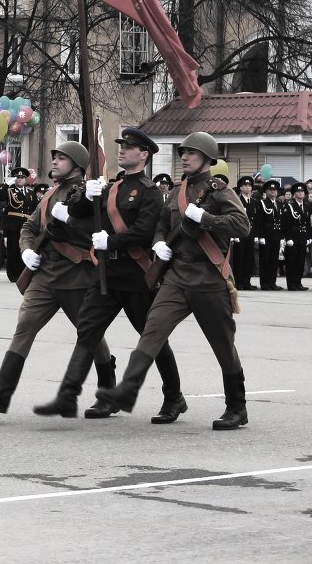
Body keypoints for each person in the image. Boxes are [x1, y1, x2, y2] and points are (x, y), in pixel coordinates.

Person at [95, 132, 252, 430]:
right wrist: (158, 244)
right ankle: (129, 387)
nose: (184, 157)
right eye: (183, 152)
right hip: (177, 275)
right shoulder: (175, 192)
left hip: (209, 277)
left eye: (191, 153)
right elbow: (160, 226)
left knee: (222, 344)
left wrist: (205, 218)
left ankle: (237, 406)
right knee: (153, 329)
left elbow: (242, 226)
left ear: (206, 158)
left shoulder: (218, 190)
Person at [32, 129, 186, 423]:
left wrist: (110, 242)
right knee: (87, 330)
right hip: (106, 273)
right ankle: (95, 395)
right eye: (121, 146)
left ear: (144, 155)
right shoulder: (110, 187)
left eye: (129, 147)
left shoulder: (149, 190)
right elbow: (81, 215)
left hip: (134, 273)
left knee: (150, 338)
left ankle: (174, 397)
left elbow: (143, 231)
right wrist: (86, 197)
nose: (122, 150)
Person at [0, 141, 115, 416]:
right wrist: (25, 252)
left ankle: (107, 389)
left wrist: (68, 219)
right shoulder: (50, 194)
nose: (55, 162)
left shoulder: (89, 195)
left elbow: (93, 234)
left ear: (78, 166)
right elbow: (29, 226)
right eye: (55, 157)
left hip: (76, 275)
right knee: (25, 326)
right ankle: (2, 391)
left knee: (90, 334)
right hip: (45, 275)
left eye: (62, 158)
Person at [0, 166, 39, 284]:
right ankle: (12, 274)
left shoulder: (31, 193)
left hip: (25, 225)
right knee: (13, 250)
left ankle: (22, 273)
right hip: (13, 225)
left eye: (22, 177)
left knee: (24, 249)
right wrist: (7, 184)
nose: (20, 179)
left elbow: (34, 210)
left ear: (26, 179)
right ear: (15, 179)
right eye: (18, 177)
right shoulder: (9, 191)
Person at [282, 182, 311, 291]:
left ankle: (298, 282)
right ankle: (291, 284)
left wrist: (308, 237)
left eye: (302, 191)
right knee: (291, 262)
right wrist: (288, 238)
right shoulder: (290, 206)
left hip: (303, 237)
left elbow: (308, 223)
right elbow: (287, 224)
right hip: (293, 238)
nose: (300, 193)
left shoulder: (306, 207)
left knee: (300, 262)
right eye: (298, 192)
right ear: (294, 195)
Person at [232, 175, 258, 290]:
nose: (248, 188)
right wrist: (234, 234)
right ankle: (238, 282)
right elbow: (233, 217)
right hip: (240, 233)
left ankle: (246, 282)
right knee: (239, 258)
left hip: (250, 233)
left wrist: (256, 234)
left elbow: (256, 219)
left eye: (249, 186)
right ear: (241, 188)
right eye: (245, 186)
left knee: (249, 259)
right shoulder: (237, 200)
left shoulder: (254, 201)